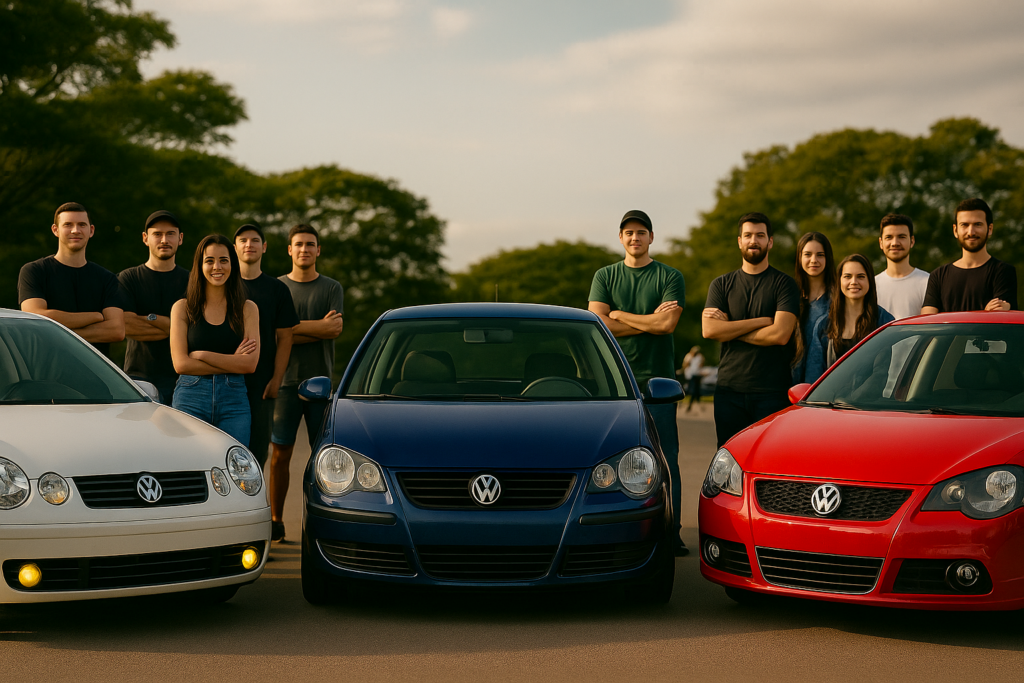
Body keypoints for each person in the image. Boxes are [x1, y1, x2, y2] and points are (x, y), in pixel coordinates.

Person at [588, 209, 687, 556]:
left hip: (659, 383)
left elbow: (666, 326)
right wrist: (646, 321)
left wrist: (619, 315)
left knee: (666, 458)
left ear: (651, 237)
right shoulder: (605, 275)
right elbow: (598, 323)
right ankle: (623, 529)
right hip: (615, 383)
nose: (635, 238)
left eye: (641, 232)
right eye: (628, 233)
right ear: (620, 238)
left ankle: (671, 531)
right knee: (615, 459)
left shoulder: (668, 276)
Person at [270, 224, 345, 542]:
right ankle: (275, 522)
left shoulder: (331, 288)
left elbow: (334, 330)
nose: (304, 249)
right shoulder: (275, 287)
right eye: (298, 244)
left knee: (323, 458)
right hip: (284, 381)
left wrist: (292, 330)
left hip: (320, 384)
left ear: (319, 250)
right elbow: (274, 333)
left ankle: (323, 522)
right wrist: (312, 328)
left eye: (310, 244)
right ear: (289, 249)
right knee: (280, 454)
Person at [702, 212, 799, 448]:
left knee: (770, 459)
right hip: (729, 390)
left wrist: (731, 329)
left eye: (760, 235)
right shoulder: (721, 285)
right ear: (739, 241)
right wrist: (760, 321)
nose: (753, 241)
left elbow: (780, 334)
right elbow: (710, 330)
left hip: (772, 392)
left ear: (770, 242)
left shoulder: (784, 284)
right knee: (729, 459)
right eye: (748, 235)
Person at [169, 234, 259, 446]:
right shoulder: (182, 308)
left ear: (232, 265)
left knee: (234, 468)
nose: (217, 267)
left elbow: (249, 363)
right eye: (209, 260)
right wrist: (231, 362)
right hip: (190, 397)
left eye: (224, 260)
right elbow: (181, 364)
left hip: (234, 401)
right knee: (189, 464)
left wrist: (202, 355)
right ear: (200, 266)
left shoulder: (247, 308)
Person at [18, 202, 125, 356]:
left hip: (94, 375)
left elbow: (116, 331)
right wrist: (95, 316)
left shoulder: (107, 278)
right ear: (55, 230)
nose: (75, 230)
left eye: (82, 224)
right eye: (68, 225)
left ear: (91, 230)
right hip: (45, 372)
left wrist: (57, 332)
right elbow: (36, 319)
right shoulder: (34, 271)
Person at [234, 223, 299, 469]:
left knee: (258, 452)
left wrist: (277, 380)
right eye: (243, 240)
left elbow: (285, 337)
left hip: (261, 384)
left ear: (265, 247)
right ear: (234, 247)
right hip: (226, 380)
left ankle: (256, 506)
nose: (249, 244)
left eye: (254, 240)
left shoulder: (277, 289)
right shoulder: (223, 286)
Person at [118, 210, 190, 404]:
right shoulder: (128, 278)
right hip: (137, 378)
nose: (164, 240)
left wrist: (148, 318)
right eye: (157, 234)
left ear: (180, 238)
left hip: (184, 379)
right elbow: (125, 325)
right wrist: (175, 327)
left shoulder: (193, 282)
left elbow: (194, 330)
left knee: (179, 434)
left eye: (170, 234)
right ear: (145, 238)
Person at [922, 198, 1017, 314]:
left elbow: (1000, 320)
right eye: (964, 225)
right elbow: (928, 322)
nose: (971, 232)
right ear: (955, 230)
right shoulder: (938, 276)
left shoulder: (1003, 272)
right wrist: (985, 313)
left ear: (990, 229)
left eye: (977, 224)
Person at [819, 254, 894, 367]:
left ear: (870, 280)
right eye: (847, 276)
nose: (854, 282)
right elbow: (815, 371)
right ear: (839, 281)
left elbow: (884, 369)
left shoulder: (885, 322)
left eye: (861, 276)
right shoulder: (824, 324)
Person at [791, 232, 835, 385]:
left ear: (827, 258)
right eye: (807, 254)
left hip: (826, 383)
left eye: (820, 255)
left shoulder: (838, 299)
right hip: (789, 382)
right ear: (799, 258)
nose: (814, 260)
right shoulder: (789, 296)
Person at [875, 213, 929, 320]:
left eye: (901, 237)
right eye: (889, 237)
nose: (895, 243)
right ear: (881, 243)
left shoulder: (928, 282)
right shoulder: (871, 285)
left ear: (912, 241)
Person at [679, 345, 704, 413]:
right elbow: (684, 365)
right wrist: (690, 360)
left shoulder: (699, 357)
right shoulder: (689, 356)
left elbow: (701, 364)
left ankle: (690, 405)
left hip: (696, 375)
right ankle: (684, 403)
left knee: (696, 390)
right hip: (689, 375)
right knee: (689, 390)